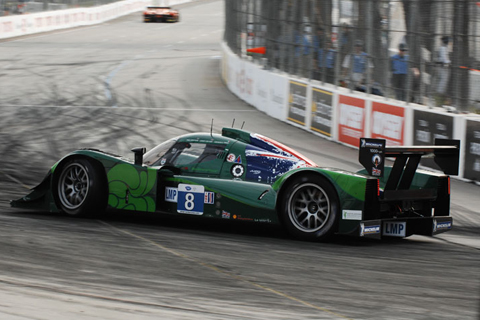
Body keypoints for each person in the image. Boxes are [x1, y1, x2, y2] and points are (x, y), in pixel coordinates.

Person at [435, 36, 451, 105]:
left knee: (443, 81)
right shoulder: (443, 48)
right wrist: (449, 62)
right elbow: (444, 59)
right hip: (442, 66)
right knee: (442, 81)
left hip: (443, 67)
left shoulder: (445, 48)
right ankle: (439, 95)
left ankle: (440, 95)